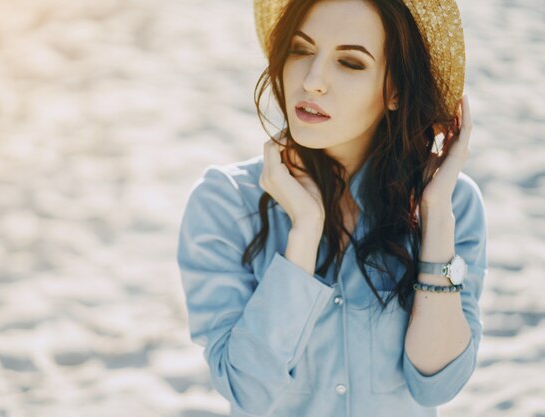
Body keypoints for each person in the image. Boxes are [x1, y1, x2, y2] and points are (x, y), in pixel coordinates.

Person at [176, 0, 488, 416]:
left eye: (351, 63)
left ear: (394, 91)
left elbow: (437, 384)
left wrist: (435, 217)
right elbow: (247, 389)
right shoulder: (225, 202)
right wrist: (304, 235)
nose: (313, 80)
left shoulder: (453, 204)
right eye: (302, 50)